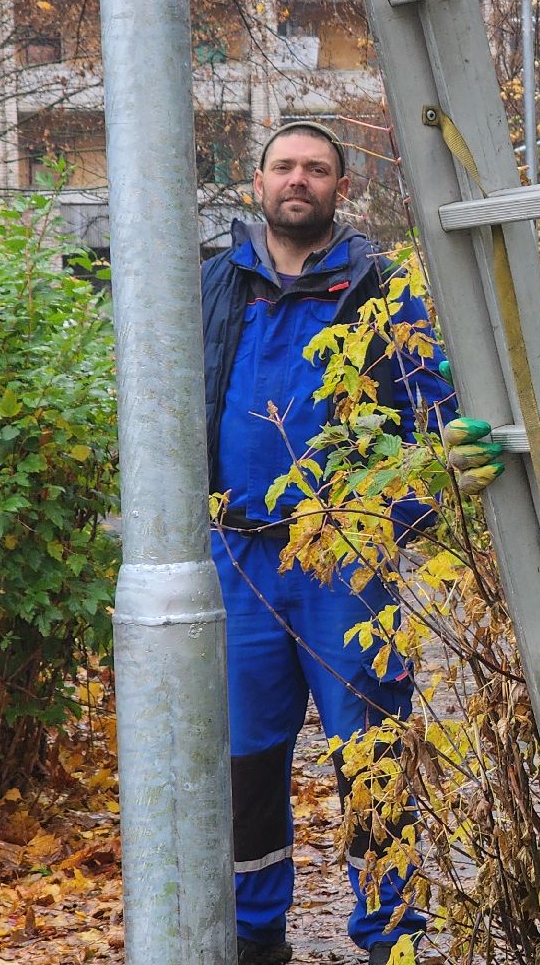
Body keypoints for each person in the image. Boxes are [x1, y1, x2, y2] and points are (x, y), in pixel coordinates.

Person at [202, 121, 454, 965]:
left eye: (316, 168)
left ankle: (392, 937)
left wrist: (402, 517)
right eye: (284, 167)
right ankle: (252, 934)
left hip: (346, 558)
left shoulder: (379, 287)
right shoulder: (214, 286)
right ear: (258, 183)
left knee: (372, 750)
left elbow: (434, 411)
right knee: (244, 758)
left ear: (340, 189)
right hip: (237, 557)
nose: (298, 180)